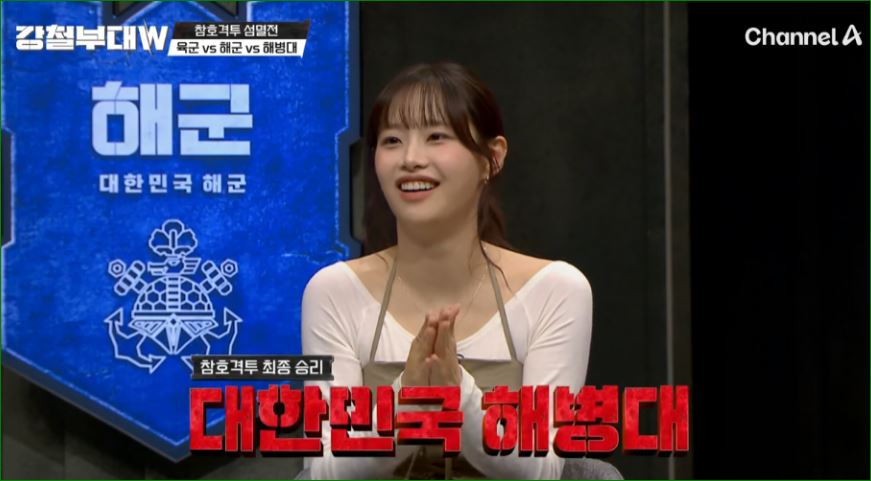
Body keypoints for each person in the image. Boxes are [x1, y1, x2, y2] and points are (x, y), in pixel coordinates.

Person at [300, 62, 594, 479]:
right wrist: (408, 404)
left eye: (436, 137)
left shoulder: (555, 290)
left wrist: (458, 396)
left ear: (492, 158)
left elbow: (543, 469)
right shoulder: (335, 291)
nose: (410, 159)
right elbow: (324, 471)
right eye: (392, 140)